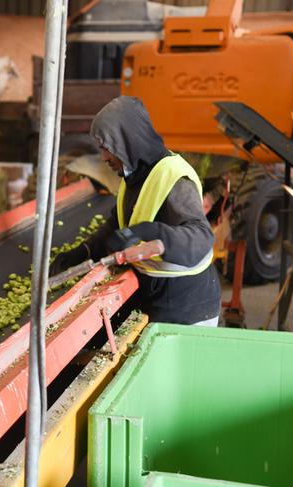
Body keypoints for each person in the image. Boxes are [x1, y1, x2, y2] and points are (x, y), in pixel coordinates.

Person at [50, 96, 221, 326]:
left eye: (106, 148)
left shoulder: (174, 178)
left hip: (187, 306)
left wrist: (147, 231)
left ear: (126, 141)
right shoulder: (135, 174)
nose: (104, 157)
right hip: (156, 297)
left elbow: (201, 238)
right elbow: (118, 224)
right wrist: (83, 251)